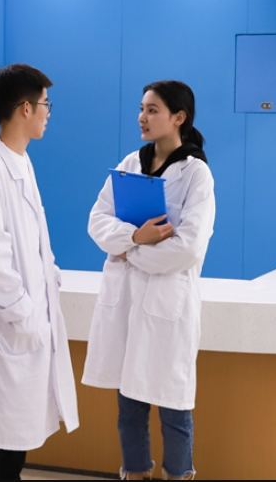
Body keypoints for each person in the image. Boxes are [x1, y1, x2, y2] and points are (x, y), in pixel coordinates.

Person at [82, 80, 216, 481]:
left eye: (153, 110)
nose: (142, 117)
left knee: (174, 407)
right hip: (127, 301)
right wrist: (137, 237)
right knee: (129, 405)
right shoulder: (128, 165)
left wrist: (129, 250)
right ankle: (135, 473)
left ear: (179, 117)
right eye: (141, 108)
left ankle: (179, 474)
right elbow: (97, 221)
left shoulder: (196, 174)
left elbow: (188, 248)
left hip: (167, 304)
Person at [0, 63, 79, 481]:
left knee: (13, 451)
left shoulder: (20, 161)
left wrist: (49, 278)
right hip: (6, 331)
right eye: (46, 104)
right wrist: (24, 312)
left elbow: (31, 243)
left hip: (24, 332)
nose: (48, 113)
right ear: (25, 108)